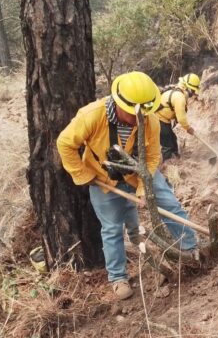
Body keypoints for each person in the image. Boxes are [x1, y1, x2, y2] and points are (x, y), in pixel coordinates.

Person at [56, 71, 197, 300]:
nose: (138, 119)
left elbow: (151, 157)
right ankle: (118, 278)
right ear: (119, 104)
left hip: (139, 174)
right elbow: (64, 143)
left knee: (171, 206)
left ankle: (192, 248)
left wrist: (143, 189)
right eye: (133, 114)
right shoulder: (92, 115)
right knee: (111, 228)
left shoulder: (149, 118)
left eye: (143, 113)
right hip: (104, 179)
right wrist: (83, 175)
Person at [156, 73, 201, 161]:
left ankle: (176, 158)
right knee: (167, 145)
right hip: (158, 120)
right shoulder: (179, 97)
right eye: (192, 90)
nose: (193, 93)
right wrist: (188, 128)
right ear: (187, 87)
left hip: (163, 120)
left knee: (172, 139)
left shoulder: (177, 91)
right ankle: (168, 166)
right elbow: (181, 118)